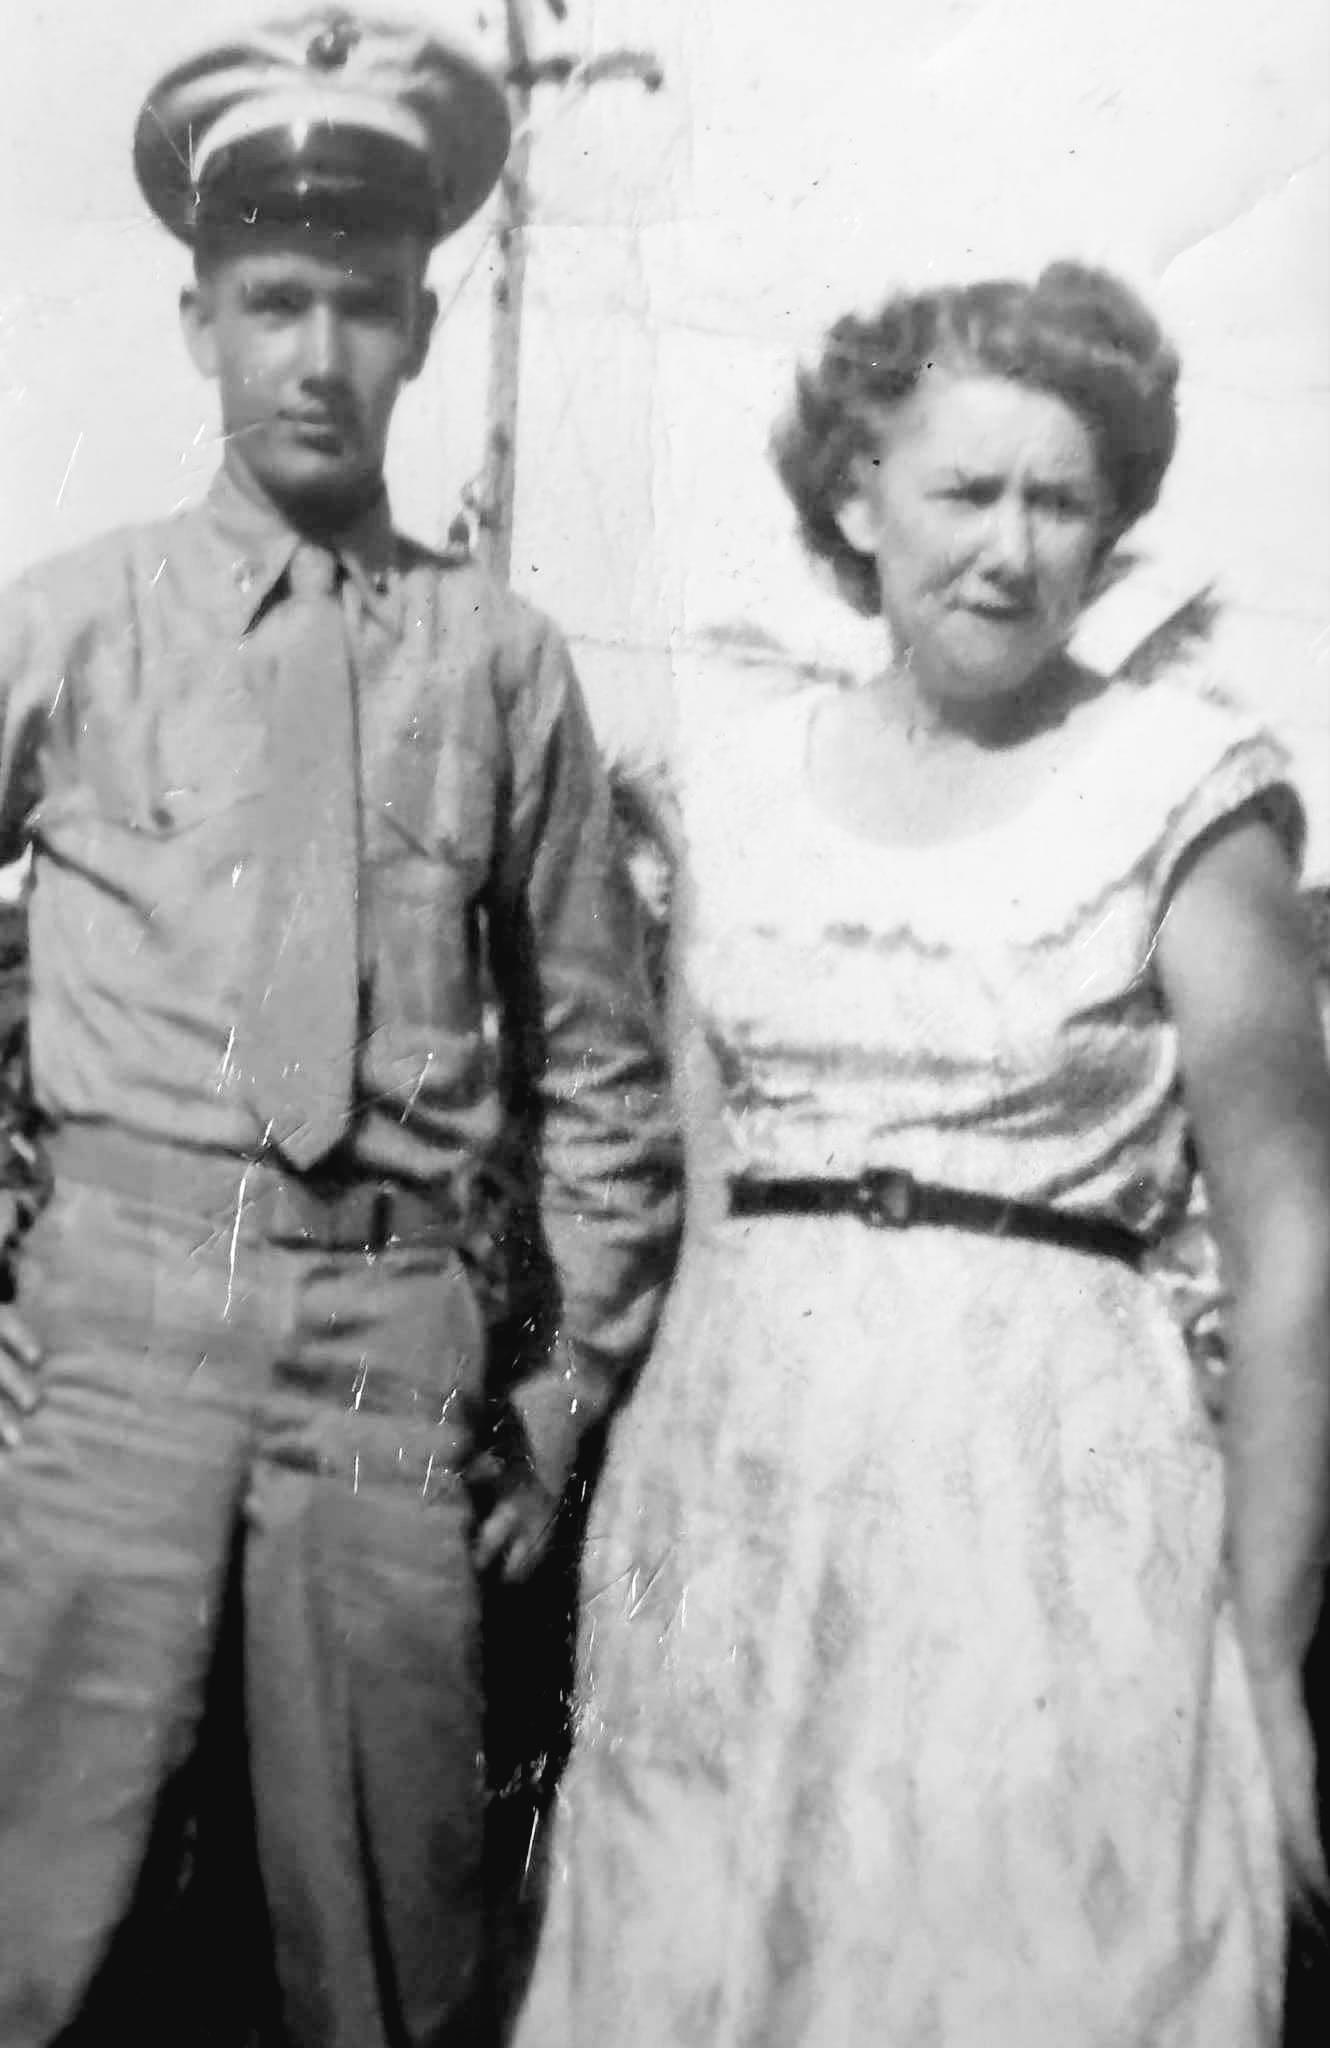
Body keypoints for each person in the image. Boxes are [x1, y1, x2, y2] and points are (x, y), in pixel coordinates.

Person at [512, 263, 1330, 2046]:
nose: (1009, 549)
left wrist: (1262, 1647)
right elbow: (695, 1185)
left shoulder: (1184, 787)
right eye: (966, 491)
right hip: (744, 1486)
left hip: (1057, 1506)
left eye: (1062, 501)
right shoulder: (731, 789)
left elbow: (1287, 1248)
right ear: (854, 498)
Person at [0, 11, 681, 2046]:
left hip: (387, 1361)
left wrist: (561, 1400)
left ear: (420, 326)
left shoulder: (499, 666)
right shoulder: (74, 621)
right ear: (197, 317)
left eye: (363, 308)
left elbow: (603, 1072)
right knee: (33, 1922)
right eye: (273, 302)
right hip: (113, 1338)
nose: (317, 354)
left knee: (384, 1948)